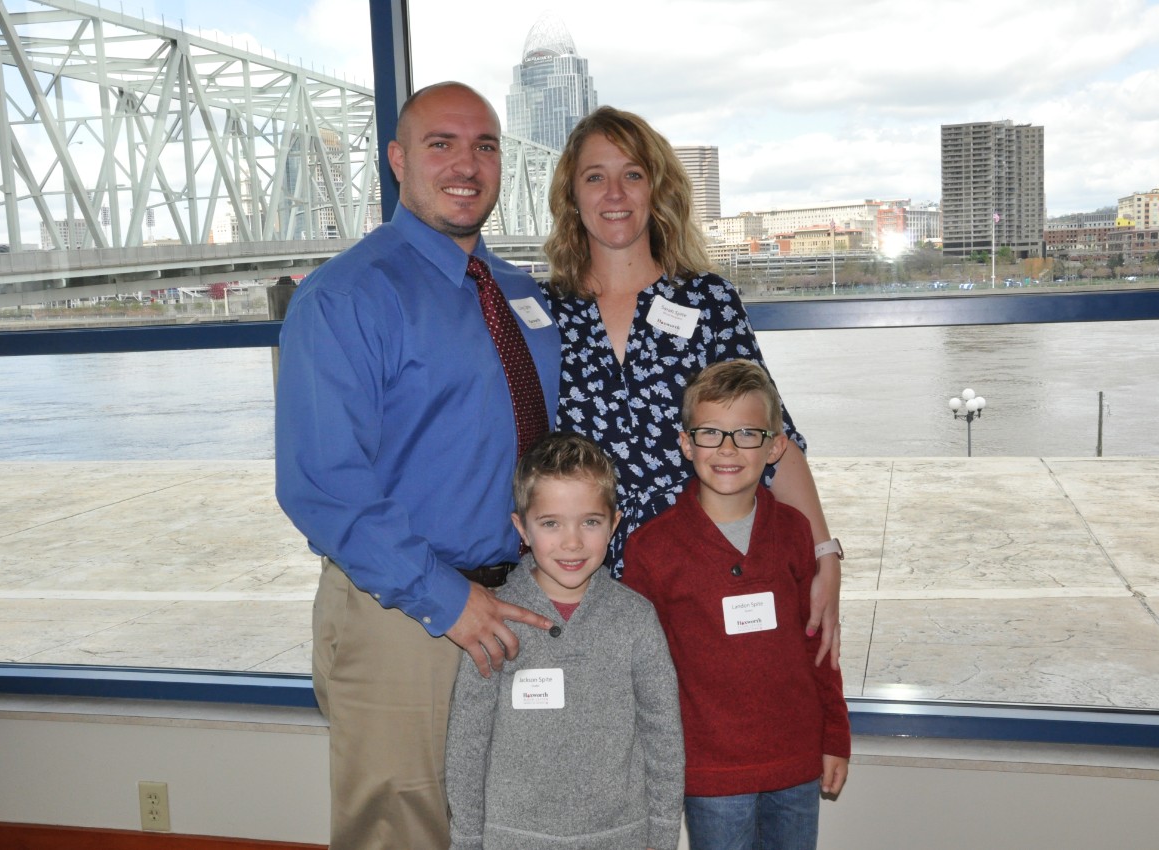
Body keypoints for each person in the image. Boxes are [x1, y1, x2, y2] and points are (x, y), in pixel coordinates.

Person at [274, 82, 560, 850]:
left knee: (513, 822)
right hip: (403, 615)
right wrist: (447, 598)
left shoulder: (523, 296)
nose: (467, 163)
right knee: (402, 832)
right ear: (399, 160)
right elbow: (323, 484)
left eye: (486, 145)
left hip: (521, 606)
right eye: (442, 144)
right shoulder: (343, 298)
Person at [542, 105, 844, 667]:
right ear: (571, 196)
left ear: (657, 190)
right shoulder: (541, 312)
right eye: (595, 177)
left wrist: (825, 555)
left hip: (701, 564)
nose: (615, 193)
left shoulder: (706, 300)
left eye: (632, 175)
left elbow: (772, 439)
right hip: (582, 572)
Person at [622, 359, 850, 850]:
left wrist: (835, 737)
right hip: (709, 770)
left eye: (747, 433)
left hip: (796, 762)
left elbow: (821, 646)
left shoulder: (795, 533)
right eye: (710, 433)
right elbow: (639, 670)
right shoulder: (650, 548)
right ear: (686, 443)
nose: (728, 449)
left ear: (775, 447)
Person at [445, 431, 684, 850]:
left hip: (620, 836)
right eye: (551, 523)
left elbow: (662, 734)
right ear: (522, 527)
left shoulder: (636, 619)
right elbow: (468, 739)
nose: (572, 542)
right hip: (513, 839)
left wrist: (662, 834)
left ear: (614, 524)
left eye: (590, 522)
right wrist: (467, 838)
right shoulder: (494, 621)